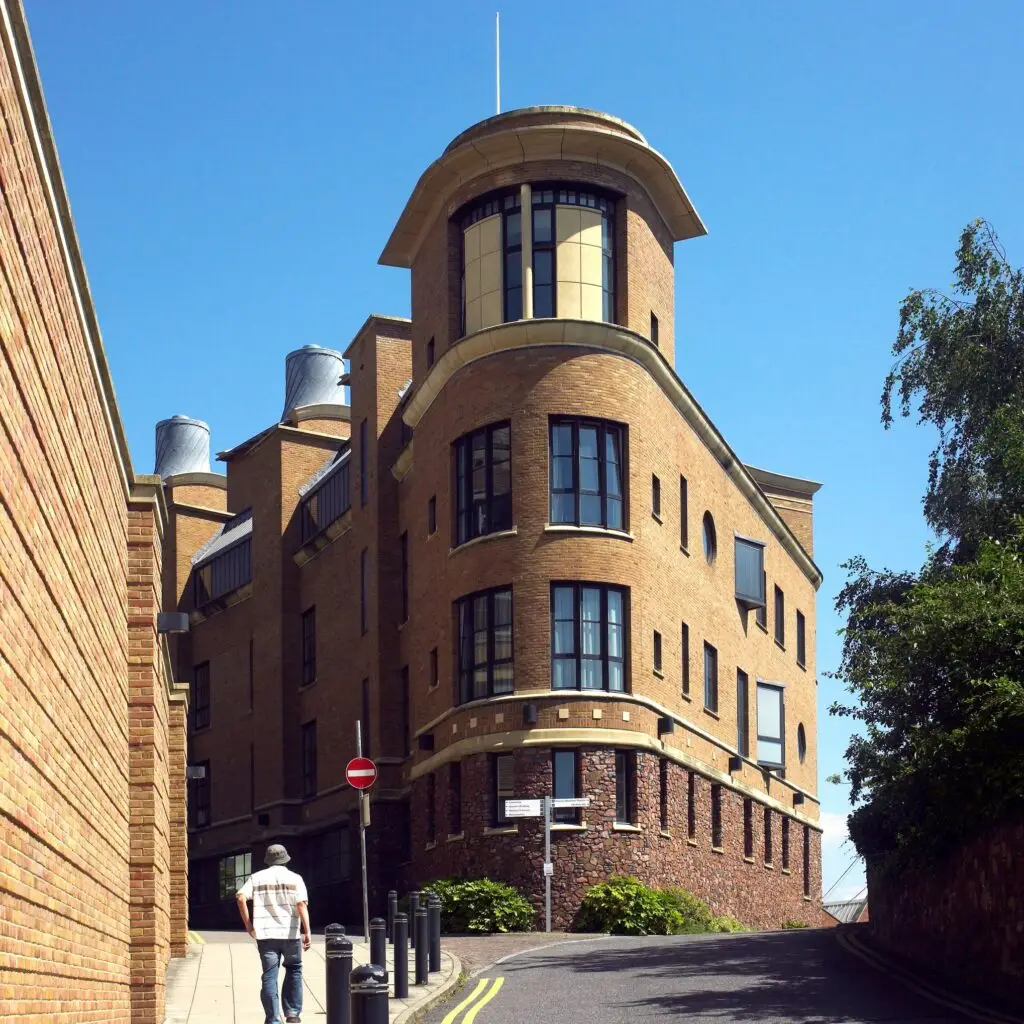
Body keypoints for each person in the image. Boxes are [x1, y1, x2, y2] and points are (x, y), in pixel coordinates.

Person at [236, 844, 312, 1024]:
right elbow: (301, 904)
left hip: (265, 935)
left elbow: (240, 897)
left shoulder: (256, 878)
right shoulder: (296, 878)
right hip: (290, 934)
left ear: (268, 860)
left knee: (269, 975)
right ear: (286, 859)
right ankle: (292, 1014)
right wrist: (307, 931)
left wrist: (248, 924)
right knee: (294, 970)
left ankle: (273, 1019)